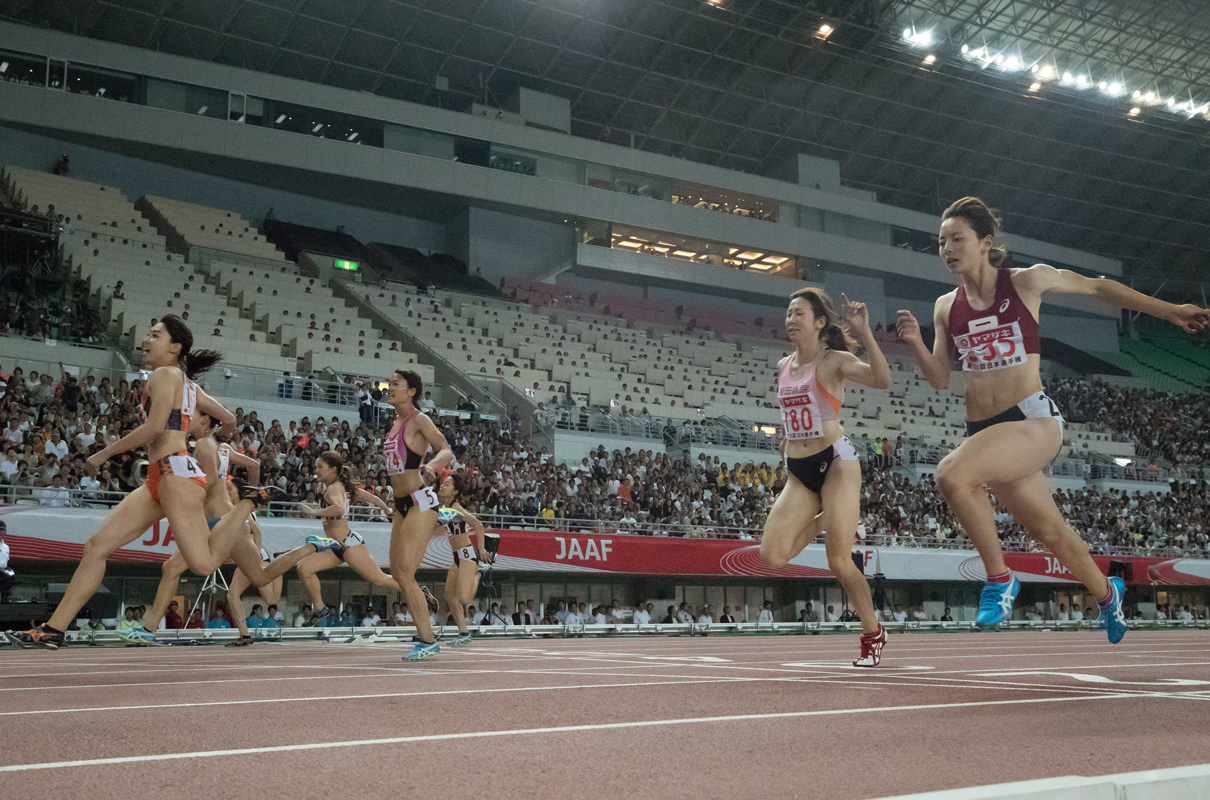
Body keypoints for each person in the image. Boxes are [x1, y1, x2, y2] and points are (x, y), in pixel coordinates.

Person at [895, 198, 1208, 643]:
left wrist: (1169, 311)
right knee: (1049, 531)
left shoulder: (1025, 281)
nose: (946, 247)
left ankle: (1000, 580)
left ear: (986, 243)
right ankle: (1107, 594)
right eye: (941, 241)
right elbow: (941, 378)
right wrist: (915, 344)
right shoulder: (946, 306)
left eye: (956, 238)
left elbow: (1099, 289)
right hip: (984, 430)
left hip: (1030, 420)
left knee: (950, 475)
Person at [9, 316, 281, 649]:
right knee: (96, 547)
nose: (146, 341)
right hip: (160, 476)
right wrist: (213, 436)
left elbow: (153, 429)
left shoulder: (165, 374)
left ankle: (248, 503)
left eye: (155, 335)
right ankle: (54, 629)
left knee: (204, 564)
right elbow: (230, 419)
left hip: (176, 473)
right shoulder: (189, 386)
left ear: (174, 347)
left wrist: (102, 454)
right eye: (147, 335)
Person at [760, 288, 892, 666]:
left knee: (838, 561)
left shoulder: (833, 361)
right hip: (800, 472)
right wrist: (786, 436)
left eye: (798, 312)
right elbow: (794, 407)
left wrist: (865, 333)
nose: (790, 318)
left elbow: (881, 380)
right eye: (788, 312)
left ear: (819, 322)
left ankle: (872, 633)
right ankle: (827, 517)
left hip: (836, 462)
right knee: (773, 554)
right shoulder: (783, 365)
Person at [131, 413, 338, 646]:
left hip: (214, 522)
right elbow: (255, 464)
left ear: (206, 423)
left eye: (195, 417)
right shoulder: (223, 448)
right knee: (260, 578)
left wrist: (176, 482)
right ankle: (312, 545)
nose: (188, 420)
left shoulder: (203, 443)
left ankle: (148, 628)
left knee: (171, 568)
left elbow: (208, 480)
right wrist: (251, 488)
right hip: (230, 520)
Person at [384, 369, 454, 660]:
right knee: (399, 574)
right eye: (389, 384)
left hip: (420, 502)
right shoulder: (394, 423)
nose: (390, 388)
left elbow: (446, 450)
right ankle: (422, 601)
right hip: (401, 503)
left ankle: (428, 640)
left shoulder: (419, 420)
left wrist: (431, 466)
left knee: (405, 572)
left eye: (396, 384)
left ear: (411, 390)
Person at [294, 451, 404, 624]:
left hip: (348, 545)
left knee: (380, 579)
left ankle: (416, 591)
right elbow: (373, 498)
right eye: (316, 466)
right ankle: (320, 608)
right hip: (335, 546)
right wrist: (387, 509)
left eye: (320, 467)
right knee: (304, 568)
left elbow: (338, 508)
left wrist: (312, 511)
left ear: (333, 469)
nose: (316, 470)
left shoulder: (334, 488)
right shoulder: (341, 486)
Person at [434, 470, 491, 646]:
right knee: (449, 596)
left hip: (467, 555)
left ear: (455, 491)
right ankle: (464, 633)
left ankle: (479, 572)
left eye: (448, 484)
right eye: (443, 483)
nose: (443, 485)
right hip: (456, 557)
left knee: (464, 599)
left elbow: (478, 525)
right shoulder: (444, 509)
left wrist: (481, 549)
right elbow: (436, 529)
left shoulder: (456, 508)